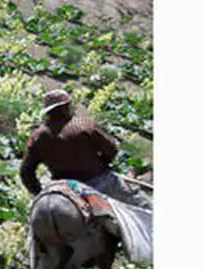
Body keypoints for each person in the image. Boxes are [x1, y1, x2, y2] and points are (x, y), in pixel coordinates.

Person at [19, 89, 152, 210]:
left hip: (63, 186)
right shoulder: (85, 125)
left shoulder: (38, 136)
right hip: (98, 180)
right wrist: (104, 164)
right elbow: (112, 149)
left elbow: (26, 171)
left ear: (47, 112)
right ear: (66, 107)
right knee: (141, 204)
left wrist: (39, 193)